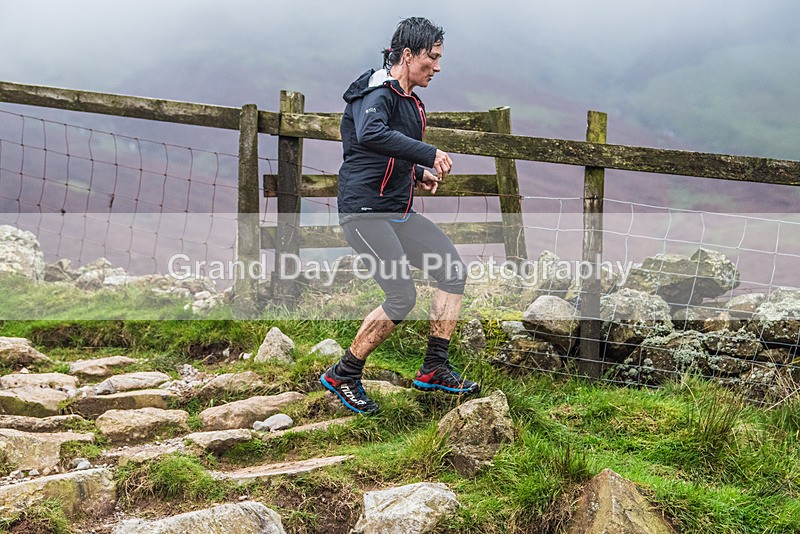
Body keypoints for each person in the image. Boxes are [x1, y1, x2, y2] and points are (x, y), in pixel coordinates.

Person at [320, 17, 480, 414]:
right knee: (401, 295)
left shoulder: (411, 101)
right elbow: (370, 135)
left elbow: (387, 152)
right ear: (407, 55)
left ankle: (434, 368)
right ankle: (344, 374)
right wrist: (428, 154)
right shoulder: (377, 92)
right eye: (433, 58)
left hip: (395, 211)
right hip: (364, 212)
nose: (437, 67)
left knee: (452, 271)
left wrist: (417, 172)